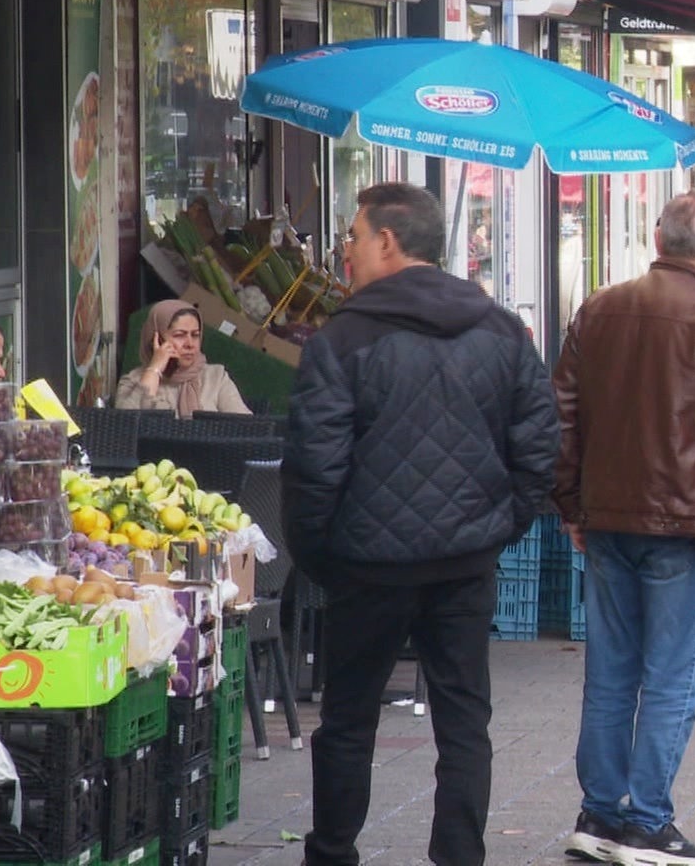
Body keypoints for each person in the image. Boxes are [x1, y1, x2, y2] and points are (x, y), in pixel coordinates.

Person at [284, 183, 559, 866]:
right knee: (465, 719)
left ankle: (332, 853)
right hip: (466, 559)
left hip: (368, 565)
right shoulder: (498, 328)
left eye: (351, 236)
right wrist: (499, 526)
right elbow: (539, 447)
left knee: (348, 719)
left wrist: (322, 555)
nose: (345, 249)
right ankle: (460, 855)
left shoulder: (342, 339)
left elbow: (314, 469)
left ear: (387, 241)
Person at [553, 192, 695, 866]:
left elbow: (562, 414)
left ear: (656, 237)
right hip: (685, 514)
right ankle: (646, 822)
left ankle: (600, 813)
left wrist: (570, 502)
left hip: (610, 510)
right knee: (672, 675)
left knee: (612, 670)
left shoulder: (600, 307)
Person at [113, 299, 252, 417]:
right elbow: (125, 425)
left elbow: (247, 426)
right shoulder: (133, 381)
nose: (190, 344)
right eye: (180, 335)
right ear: (157, 339)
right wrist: (154, 370)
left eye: (195, 335)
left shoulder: (215, 377)